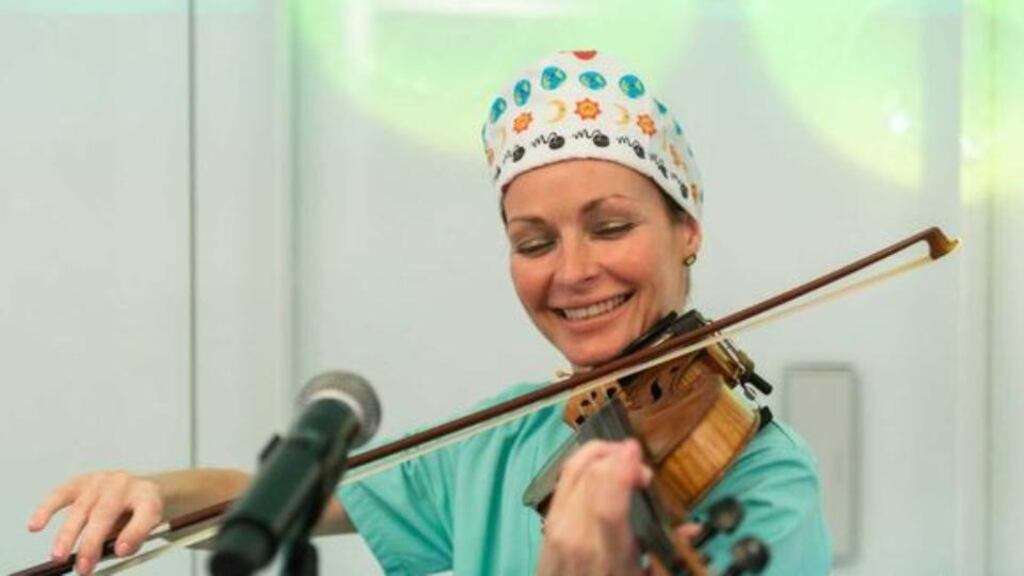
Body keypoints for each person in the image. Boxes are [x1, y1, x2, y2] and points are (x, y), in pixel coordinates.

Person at [27, 50, 831, 575]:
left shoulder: (764, 478)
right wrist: (154, 494)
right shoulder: (505, 435)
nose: (573, 271)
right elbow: (294, 495)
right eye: (533, 241)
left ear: (685, 230)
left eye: (611, 226)